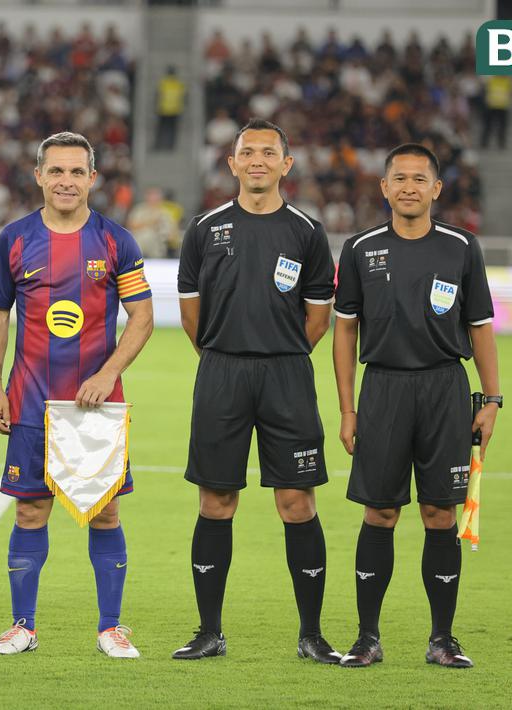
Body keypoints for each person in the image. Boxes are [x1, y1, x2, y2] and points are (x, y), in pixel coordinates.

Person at [0, 132, 155, 658]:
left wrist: (107, 374)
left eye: (77, 172)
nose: (66, 181)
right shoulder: (14, 238)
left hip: (96, 406)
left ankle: (110, 627)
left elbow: (142, 318)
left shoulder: (115, 241)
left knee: (104, 514)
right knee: (30, 513)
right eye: (56, 171)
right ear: (38, 175)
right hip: (31, 403)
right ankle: (23, 627)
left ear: (92, 179)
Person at [172, 118, 341, 663]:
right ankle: (209, 631)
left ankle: (311, 634)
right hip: (221, 373)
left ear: (286, 164)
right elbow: (192, 315)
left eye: (270, 153)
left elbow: (319, 317)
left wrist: (279, 352)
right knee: (216, 500)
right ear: (233, 163)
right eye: (248, 152)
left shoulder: (308, 232)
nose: (258, 161)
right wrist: (227, 356)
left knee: (296, 502)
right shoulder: (205, 227)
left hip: (287, 376)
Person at [332, 143, 500, 669]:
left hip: (444, 388)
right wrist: (347, 409)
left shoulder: (460, 246)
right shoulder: (360, 248)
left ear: (436, 189)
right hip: (381, 389)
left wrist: (491, 399)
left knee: (438, 512)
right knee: (379, 511)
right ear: (383, 187)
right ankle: (366, 638)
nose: (408, 187)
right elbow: (344, 332)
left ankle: (442, 639)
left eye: (419, 179)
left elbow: (480, 327)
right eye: (398, 178)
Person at [154, 66, 186, 152]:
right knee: (173, 130)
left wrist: (157, 106)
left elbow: (158, 95)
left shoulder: (163, 83)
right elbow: (184, 97)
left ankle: (158, 145)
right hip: (175, 110)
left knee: (161, 129)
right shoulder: (179, 84)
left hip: (164, 109)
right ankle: (171, 146)